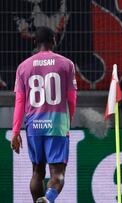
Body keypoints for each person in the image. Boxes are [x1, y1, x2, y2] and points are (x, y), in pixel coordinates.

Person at [10, 26, 77, 203]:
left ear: (34, 42)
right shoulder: (66, 64)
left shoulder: (23, 67)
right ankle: (48, 199)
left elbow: (19, 102)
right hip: (57, 124)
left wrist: (16, 131)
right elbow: (71, 99)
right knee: (58, 173)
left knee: (37, 171)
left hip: (34, 125)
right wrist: (66, 122)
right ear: (54, 41)